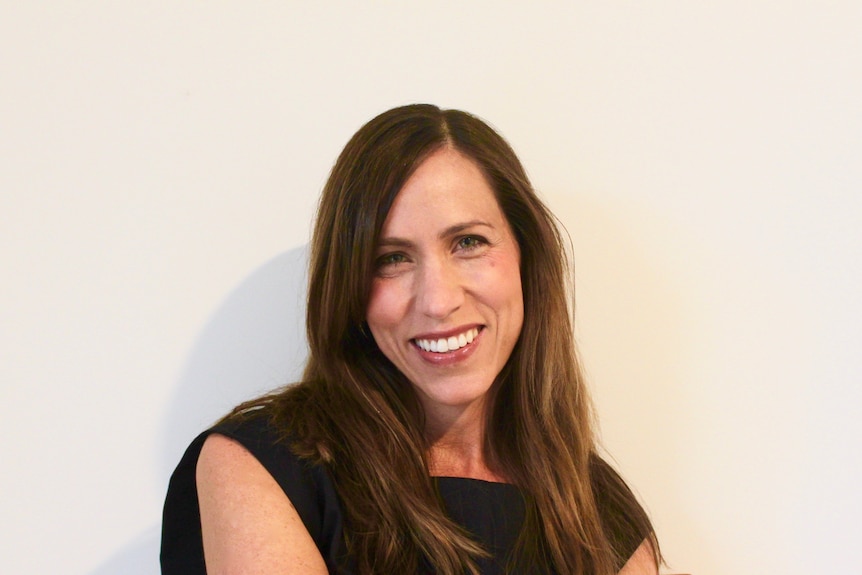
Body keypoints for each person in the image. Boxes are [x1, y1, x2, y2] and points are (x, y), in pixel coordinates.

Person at [161, 104, 661, 574]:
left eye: (468, 242)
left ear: (527, 257)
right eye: (392, 259)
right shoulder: (265, 465)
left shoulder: (598, 509)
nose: (438, 300)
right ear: (349, 290)